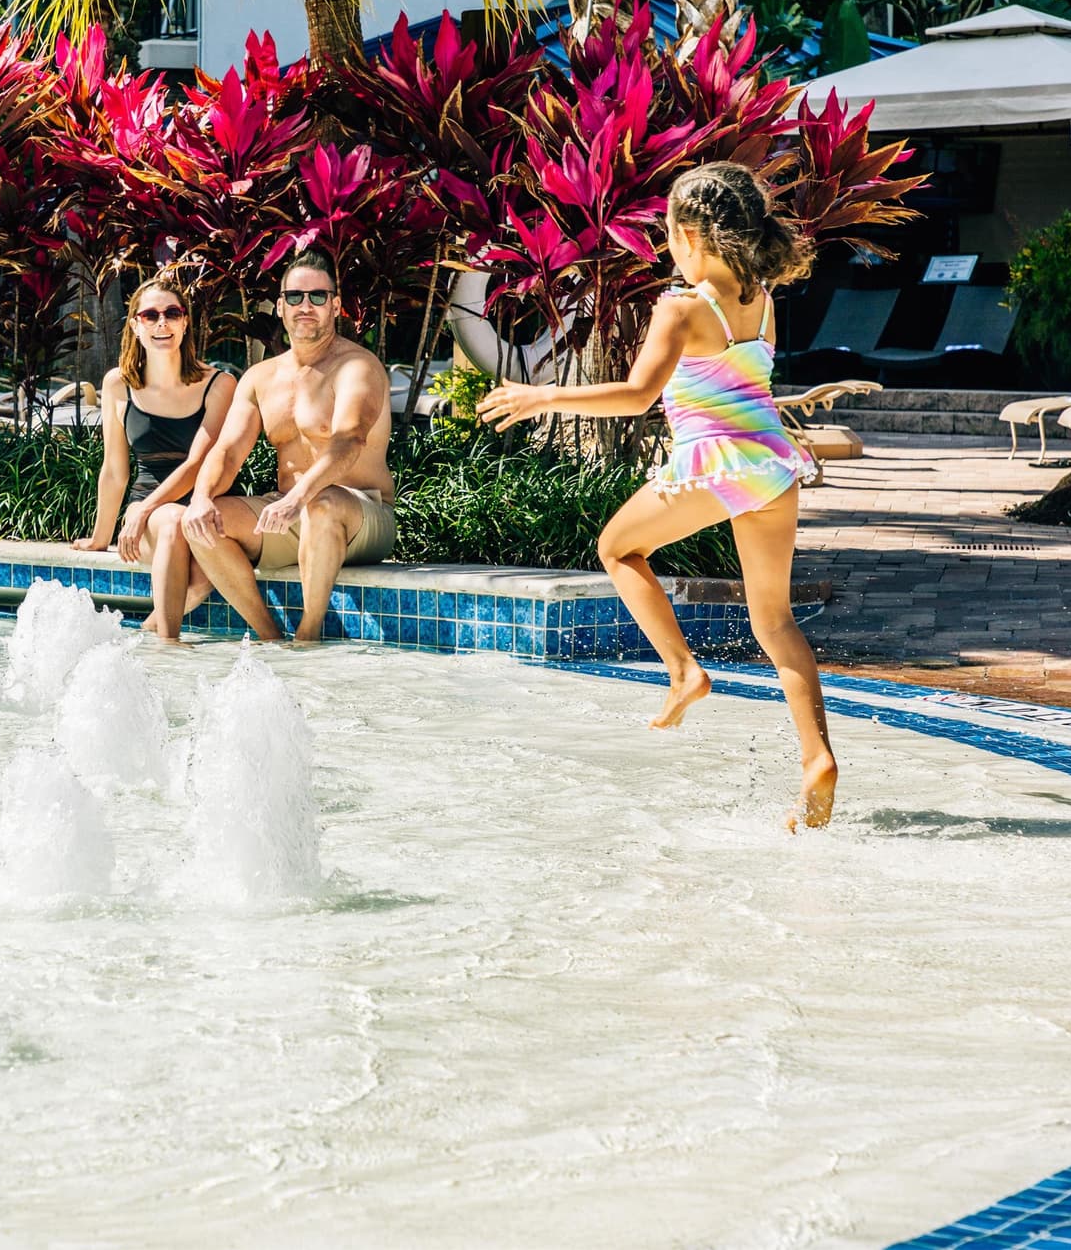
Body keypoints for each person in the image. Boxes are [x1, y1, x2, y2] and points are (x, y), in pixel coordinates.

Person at [476, 161, 839, 830]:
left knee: (616, 548)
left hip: (717, 463)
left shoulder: (681, 306)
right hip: (773, 466)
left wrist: (542, 396)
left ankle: (682, 673)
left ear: (692, 235)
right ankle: (817, 757)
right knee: (776, 624)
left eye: (670, 232)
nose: (667, 244)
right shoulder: (759, 298)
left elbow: (639, 395)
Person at [182, 249, 396, 643]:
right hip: (290, 512)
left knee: (323, 503)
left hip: (360, 512)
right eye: (295, 297)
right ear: (280, 306)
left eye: (318, 297)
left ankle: (308, 636)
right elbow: (228, 451)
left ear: (335, 306)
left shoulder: (356, 367)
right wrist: (201, 498)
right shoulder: (261, 377)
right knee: (200, 523)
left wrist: (299, 496)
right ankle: (270, 638)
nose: (306, 306)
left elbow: (350, 439)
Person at [74, 278, 238, 637]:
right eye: (150, 315)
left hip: (205, 505)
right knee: (173, 522)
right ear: (135, 325)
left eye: (171, 313)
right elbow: (115, 470)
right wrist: (102, 537)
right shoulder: (119, 384)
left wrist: (147, 508)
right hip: (148, 511)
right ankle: (169, 645)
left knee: (200, 576)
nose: (161, 323)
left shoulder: (219, 384)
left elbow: (198, 463)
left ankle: (146, 639)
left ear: (185, 323)